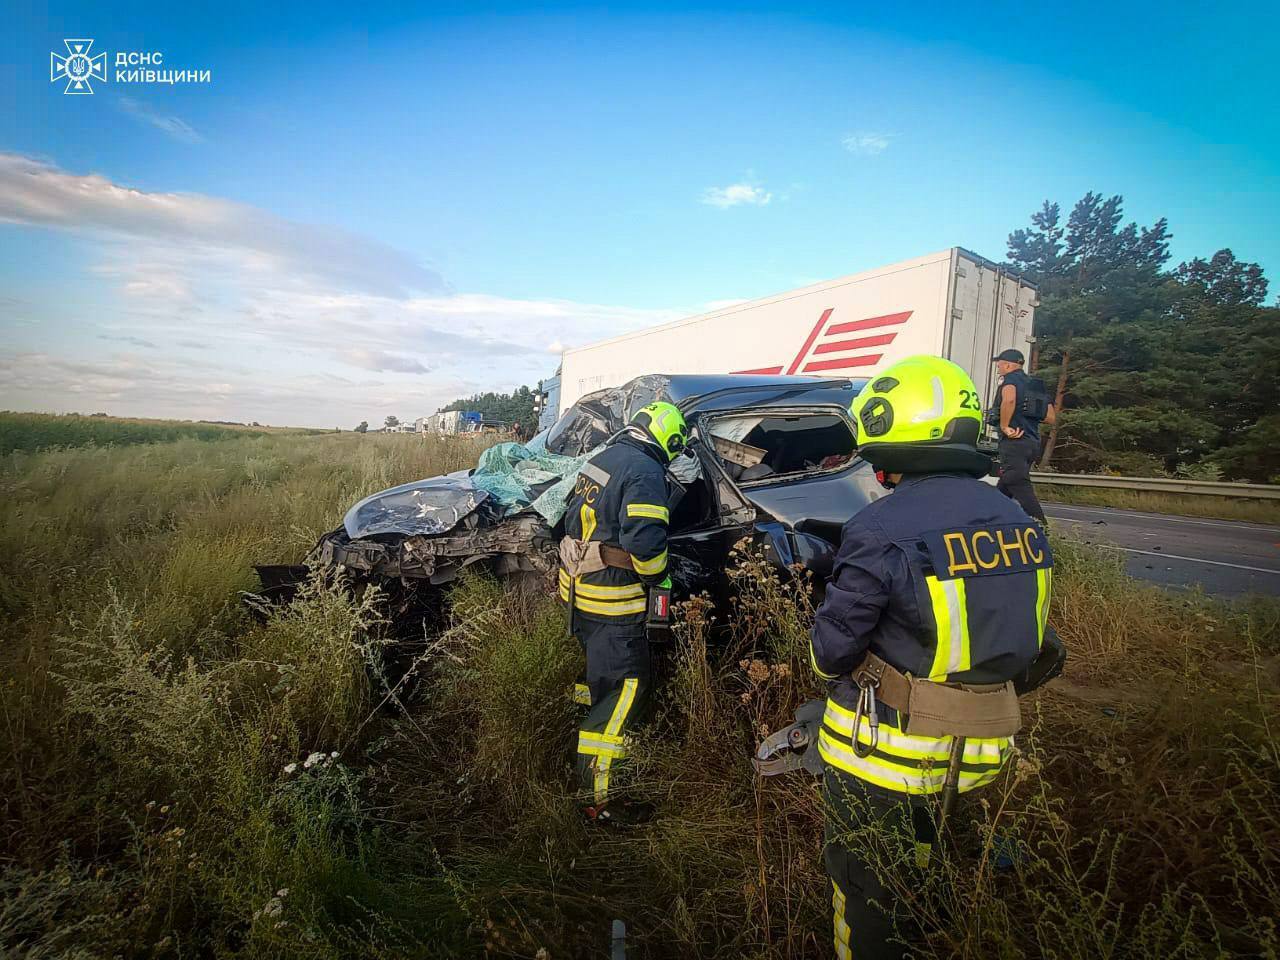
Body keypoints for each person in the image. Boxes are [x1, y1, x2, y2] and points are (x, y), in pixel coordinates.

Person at [810, 355, 1054, 960]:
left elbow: (830, 654)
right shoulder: (1021, 520)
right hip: (985, 753)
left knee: (868, 891)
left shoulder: (878, 527)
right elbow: (1038, 646)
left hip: (888, 758)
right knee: (943, 867)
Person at [559, 401, 686, 824]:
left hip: (580, 598)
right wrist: (661, 579)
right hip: (615, 605)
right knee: (623, 693)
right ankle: (602, 801)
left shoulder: (603, 457)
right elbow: (647, 547)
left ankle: (577, 760)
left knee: (598, 685)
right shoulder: (646, 472)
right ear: (667, 440)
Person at [989, 348, 1053, 523]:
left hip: (1014, 442)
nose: (998, 368)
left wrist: (1005, 425)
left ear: (1008, 365)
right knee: (1006, 484)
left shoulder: (1009, 380)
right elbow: (1050, 417)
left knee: (1017, 481)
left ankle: (1042, 527)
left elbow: (1009, 398)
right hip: (1032, 443)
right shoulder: (1035, 385)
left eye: (1000, 365)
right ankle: (987, 520)